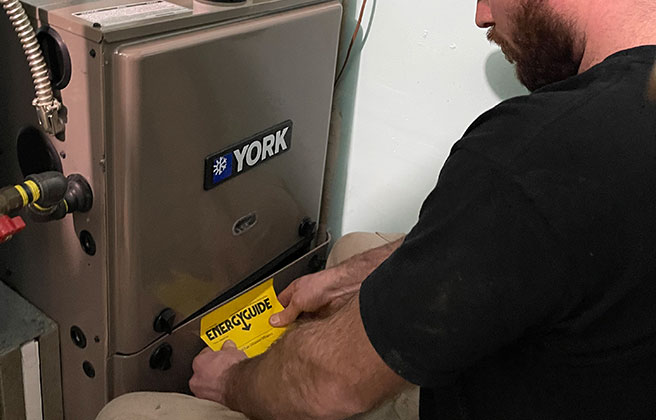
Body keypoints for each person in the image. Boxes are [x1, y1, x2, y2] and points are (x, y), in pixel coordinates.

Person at [97, 0, 656, 419]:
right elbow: (513, 238)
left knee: (124, 414)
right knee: (356, 245)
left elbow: (330, 383)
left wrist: (234, 381)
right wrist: (347, 279)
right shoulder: (617, 124)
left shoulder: (540, 150)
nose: (481, 16)